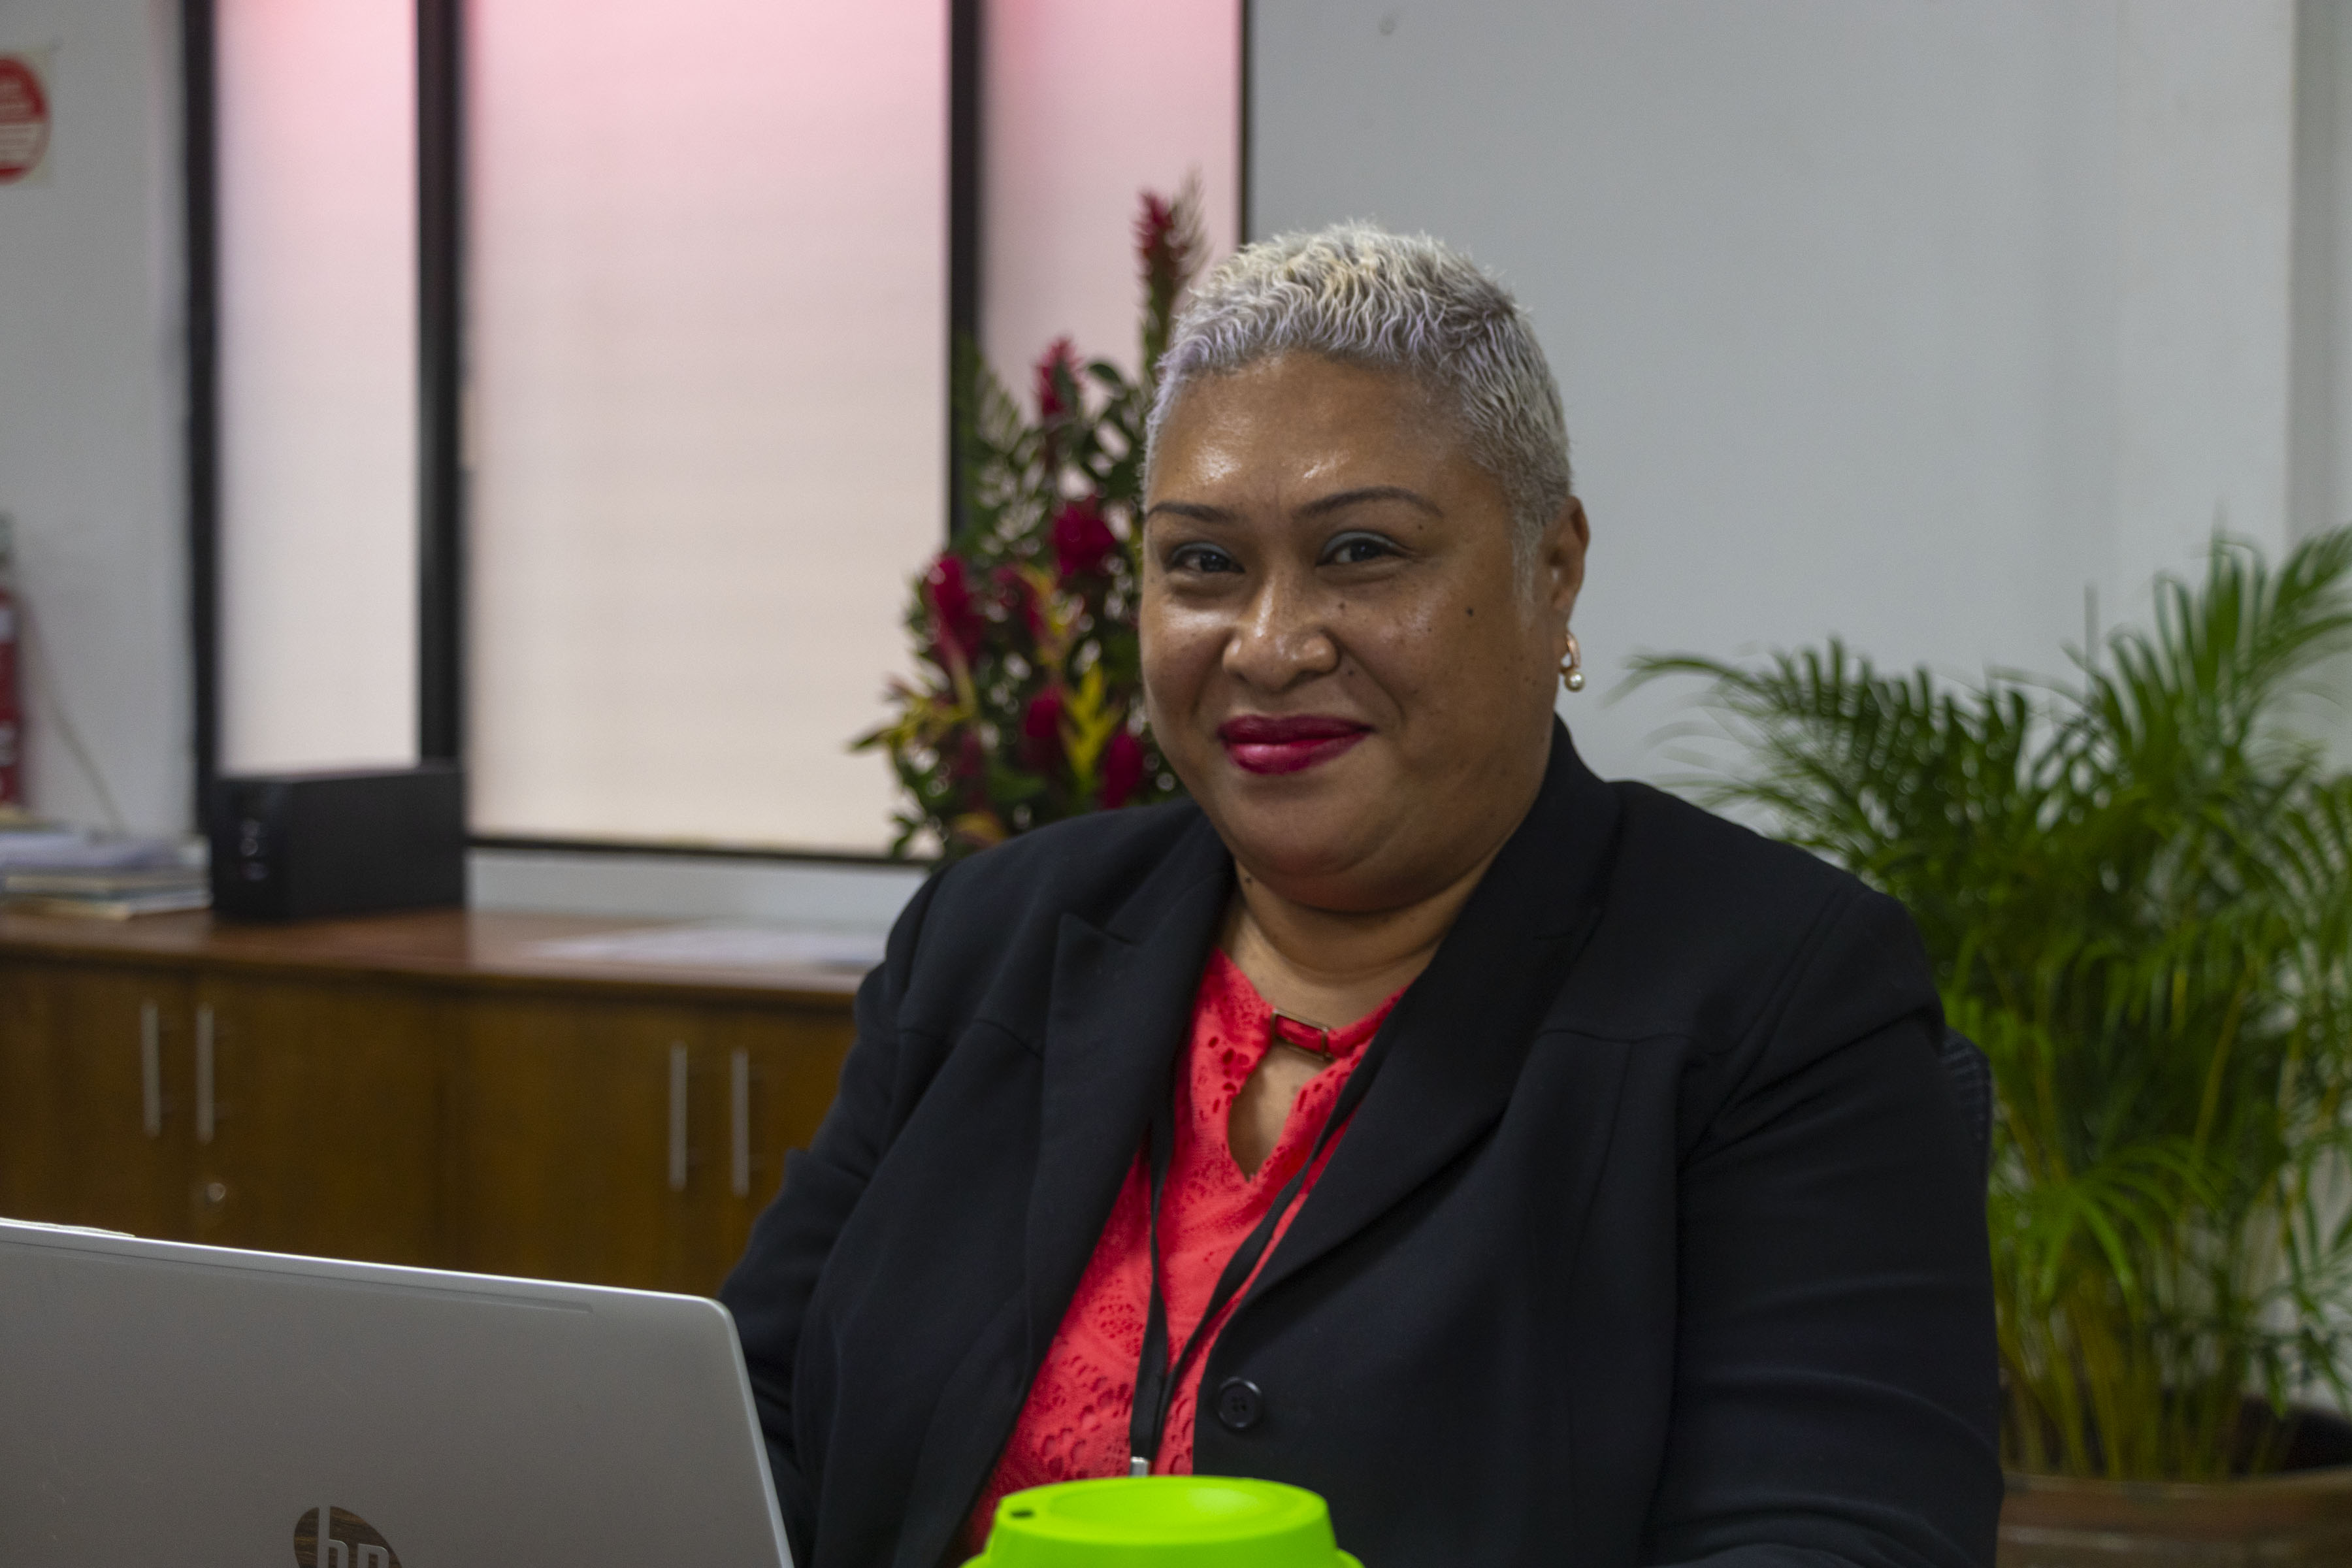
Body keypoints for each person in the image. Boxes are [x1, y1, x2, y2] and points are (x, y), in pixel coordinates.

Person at [720, 223, 2000, 1568]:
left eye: (1361, 554)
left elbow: (1832, 1539)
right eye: (1203, 564)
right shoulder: (990, 943)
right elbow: (754, 1422)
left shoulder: (1779, 997)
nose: (1270, 647)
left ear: (1551, 571)